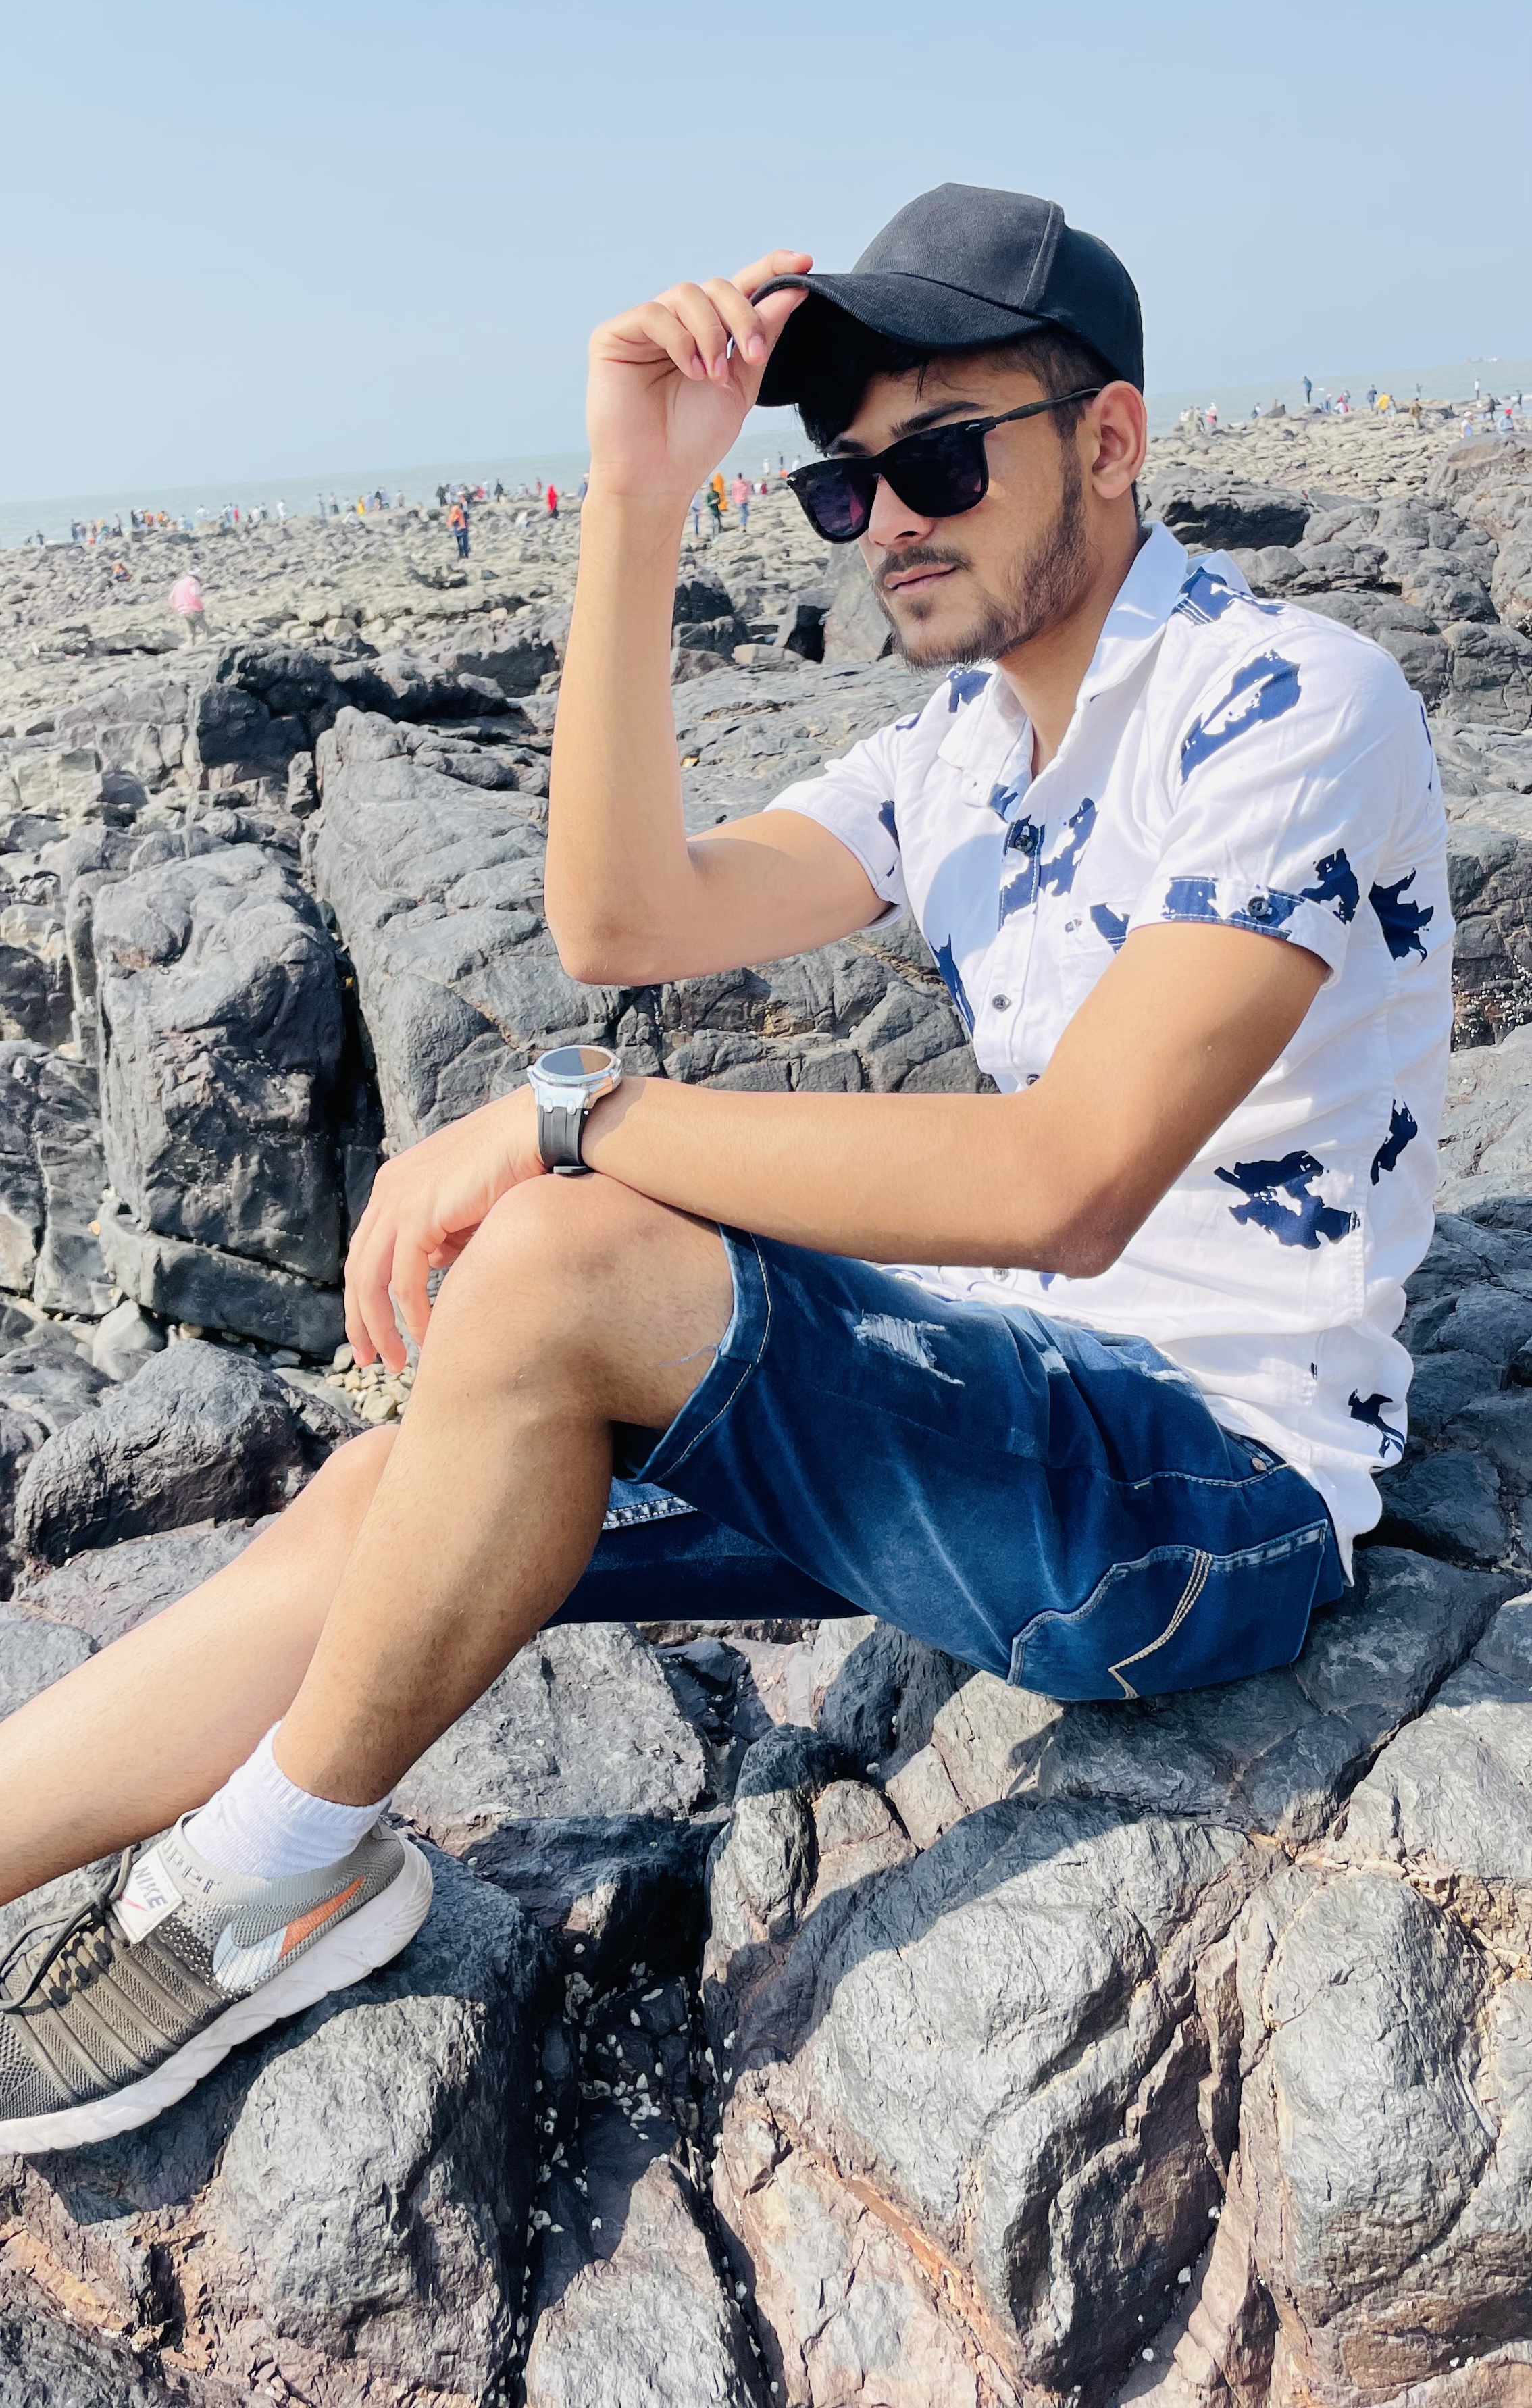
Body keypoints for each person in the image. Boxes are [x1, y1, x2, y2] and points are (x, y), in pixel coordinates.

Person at [0, 185, 1450, 2155]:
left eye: (941, 459)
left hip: (1207, 1505)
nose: (889, 519)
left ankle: (269, 1879)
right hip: (999, 1397)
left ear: (1111, 440)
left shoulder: (1289, 700)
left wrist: (571, 1120)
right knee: (387, 1493)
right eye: (847, 485)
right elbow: (622, 919)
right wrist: (636, 499)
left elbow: (1073, 1179)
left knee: (559, 1259)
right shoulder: (956, 756)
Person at [168, 573, 205, 644]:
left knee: (190, 633)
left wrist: (176, 609)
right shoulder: (193, 582)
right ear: (196, 577)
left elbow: (170, 599)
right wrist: (201, 606)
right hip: (195, 610)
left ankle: (191, 647)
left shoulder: (178, 584)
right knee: (204, 631)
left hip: (182, 611)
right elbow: (195, 595)